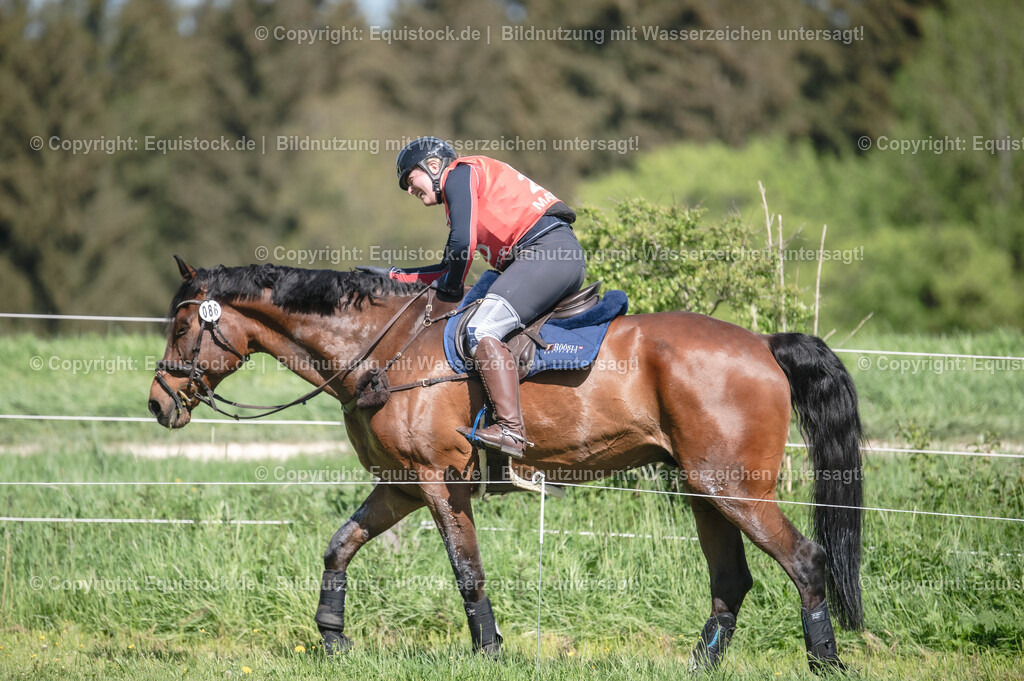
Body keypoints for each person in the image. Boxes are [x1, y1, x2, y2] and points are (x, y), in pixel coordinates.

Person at [363, 136, 586, 458]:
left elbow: (461, 246)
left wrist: (451, 290)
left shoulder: (460, 173)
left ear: (434, 165)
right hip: (548, 256)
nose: (409, 191)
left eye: (410, 181)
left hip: (545, 255)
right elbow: (449, 263)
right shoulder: (465, 188)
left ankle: (511, 430)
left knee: (480, 330)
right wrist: (394, 276)